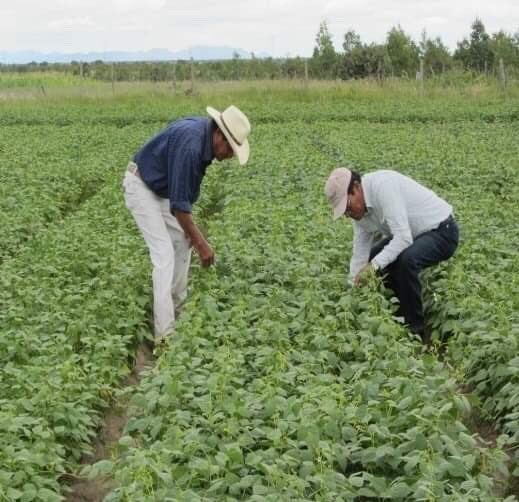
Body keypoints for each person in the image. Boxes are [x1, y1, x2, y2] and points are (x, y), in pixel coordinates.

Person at [123, 105, 251, 342]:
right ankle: (165, 336)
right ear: (220, 136)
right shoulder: (192, 145)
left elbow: (183, 201)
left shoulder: (203, 139)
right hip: (141, 187)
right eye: (231, 149)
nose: (229, 156)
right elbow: (180, 207)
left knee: (183, 241)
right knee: (164, 256)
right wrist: (202, 242)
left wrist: (194, 236)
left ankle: (179, 312)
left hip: (161, 190)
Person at [325, 167, 459, 343]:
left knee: (406, 261)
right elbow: (360, 253)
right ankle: (396, 314)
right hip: (413, 235)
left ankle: (415, 332)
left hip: (442, 231)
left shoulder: (383, 187)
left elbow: (403, 238)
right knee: (375, 258)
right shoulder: (359, 214)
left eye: (348, 207)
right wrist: (351, 291)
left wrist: (372, 267)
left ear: (356, 187)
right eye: (344, 212)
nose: (348, 214)